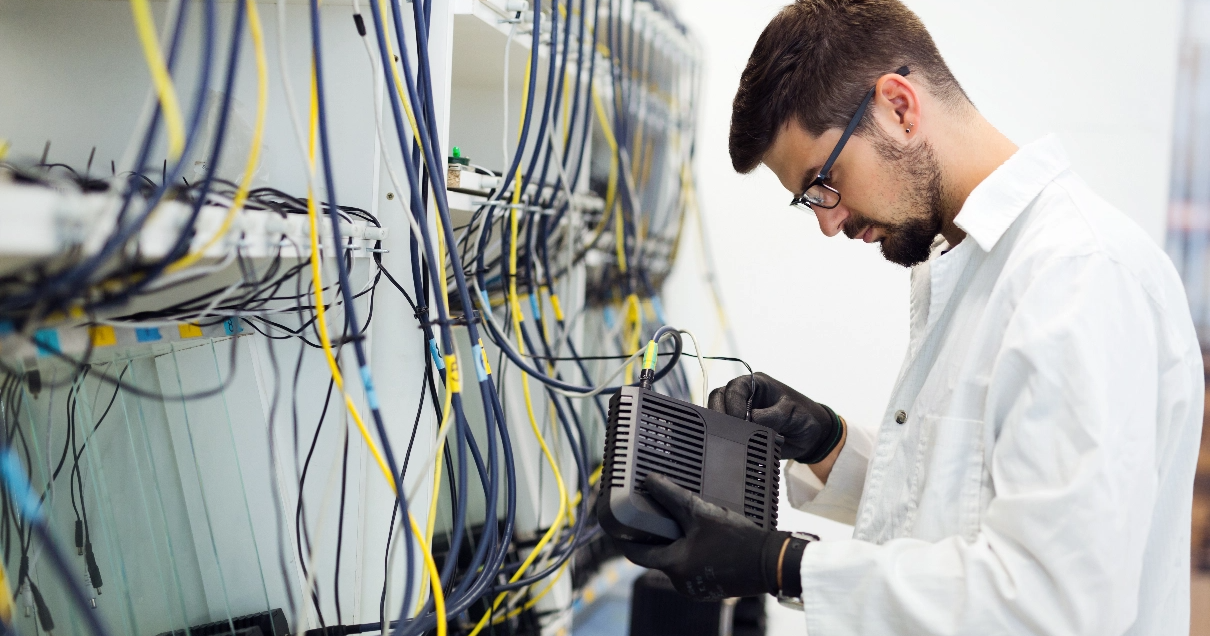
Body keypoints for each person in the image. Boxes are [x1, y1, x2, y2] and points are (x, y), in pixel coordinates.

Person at [607, 1, 1205, 634]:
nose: (829, 222)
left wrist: (785, 565)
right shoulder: (966, 262)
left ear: (898, 106)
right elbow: (962, 506)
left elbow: (1050, 602)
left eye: (823, 182)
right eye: (807, 200)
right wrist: (828, 443)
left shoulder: (1080, 276)